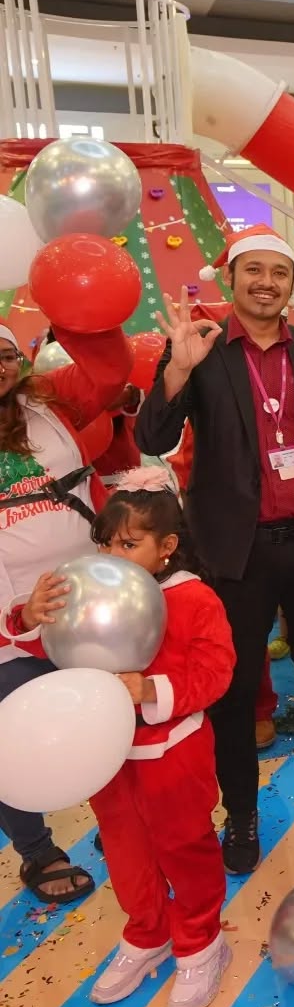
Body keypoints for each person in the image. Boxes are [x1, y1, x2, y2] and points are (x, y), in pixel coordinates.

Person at [136, 225, 294, 874]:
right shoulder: (201, 349)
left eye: (278, 273)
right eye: (252, 271)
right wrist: (175, 368)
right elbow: (154, 432)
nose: (266, 282)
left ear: (293, 283)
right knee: (233, 685)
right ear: (231, 279)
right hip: (232, 552)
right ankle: (240, 810)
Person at [14, 470, 236, 1007]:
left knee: (184, 847)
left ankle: (202, 941)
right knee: (124, 848)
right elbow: (54, 650)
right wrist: (29, 615)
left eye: (129, 544)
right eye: (106, 542)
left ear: (167, 548)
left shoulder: (193, 597)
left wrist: (149, 688)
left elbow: (216, 672)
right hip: (107, 754)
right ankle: (147, 931)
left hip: (173, 752)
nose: (113, 554)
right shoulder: (83, 590)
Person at [0, 321, 130, 905]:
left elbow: (108, 369)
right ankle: (37, 850)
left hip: (88, 599)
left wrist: (80, 314)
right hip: (13, 617)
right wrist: (18, 612)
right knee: (9, 736)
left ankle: (122, 822)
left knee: (115, 714)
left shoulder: (51, 399)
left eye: (4, 354)